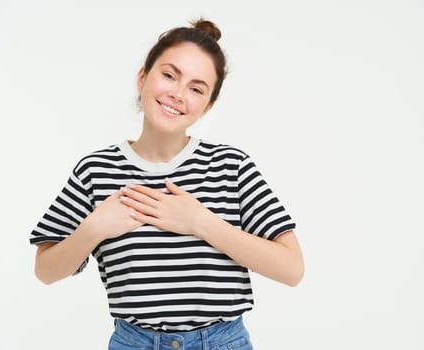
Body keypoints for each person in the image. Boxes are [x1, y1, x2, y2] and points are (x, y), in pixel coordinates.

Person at [29, 18, 304, 350]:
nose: (177, 93)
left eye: (196, 88)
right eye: (169, 75)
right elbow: (45, 269)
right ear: (143, 77)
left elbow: (292, 269)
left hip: (221, 342)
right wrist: (94, 228)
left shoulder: (231, 166)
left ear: (208, 106)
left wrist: (200, 222)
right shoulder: (96, 170)